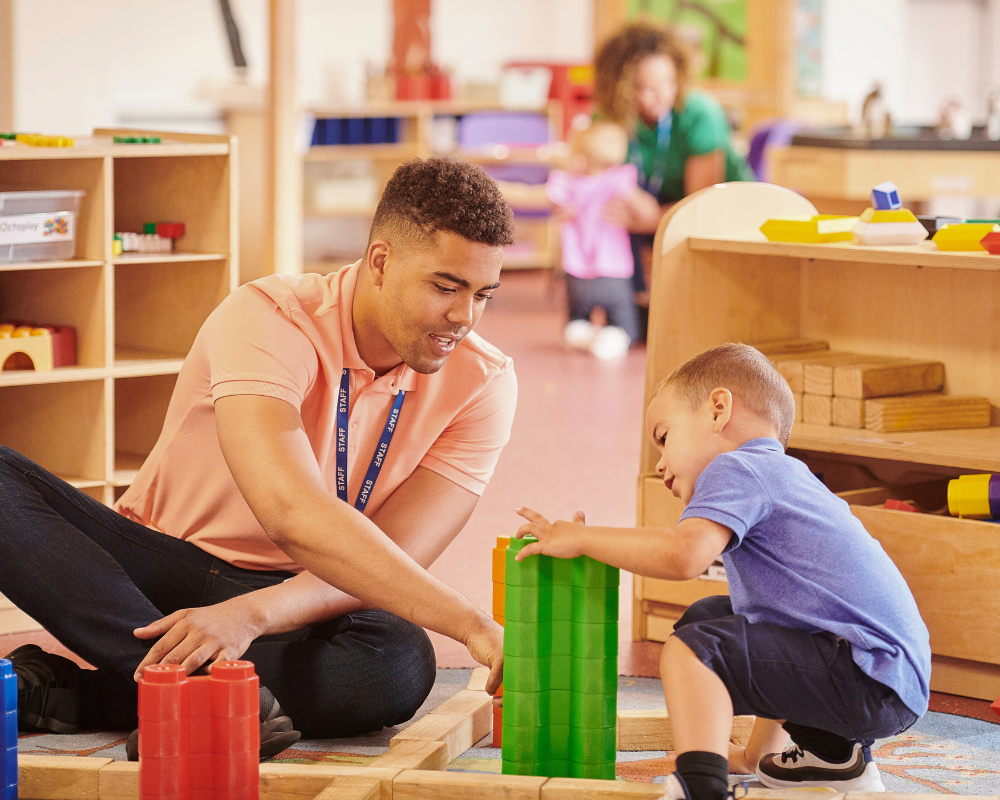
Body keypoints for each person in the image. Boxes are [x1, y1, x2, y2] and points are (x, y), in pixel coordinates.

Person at [0, 157, 517, 757]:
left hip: (299, 596)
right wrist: (477, 628)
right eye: (446, 287)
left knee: (395, 662)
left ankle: (98, 695)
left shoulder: (485, 382)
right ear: (381, 262)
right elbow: (288, 511)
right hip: (162, 573)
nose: (463, 317)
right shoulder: (268, 317)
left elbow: (394, 559)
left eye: (483, 294)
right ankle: (195, 689)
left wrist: (253, 613)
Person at [514, 343, 930, 799]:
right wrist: (753, 758)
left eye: (663, 436)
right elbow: (776, 637)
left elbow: (683, 555)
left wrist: (580, 539)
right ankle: (834, 757)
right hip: (884, 680)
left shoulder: (738, 467)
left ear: (718, 409)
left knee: (692, 649)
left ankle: (699, 787)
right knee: (710, 619)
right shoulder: (781, 474)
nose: (659, 462)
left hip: (867, 675)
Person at [593, 22, 755, 332]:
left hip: (720, 212)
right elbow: (599, 179)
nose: (663, 95)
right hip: (655, 208)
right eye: (647, 88)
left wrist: (651, 218)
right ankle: (627, 309)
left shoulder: (700, 114)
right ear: (622, 88)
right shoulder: (610, 118)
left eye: (669, 82)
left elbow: (702, 207)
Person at [545, 121, 660, 360]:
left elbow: (554, 202)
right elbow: (647, 212)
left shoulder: (568, 184)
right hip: (614, 270)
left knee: (577, 318)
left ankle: (581, 333)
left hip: (576, 270)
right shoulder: (618, 181)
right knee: (625, 323)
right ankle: (614, 337)